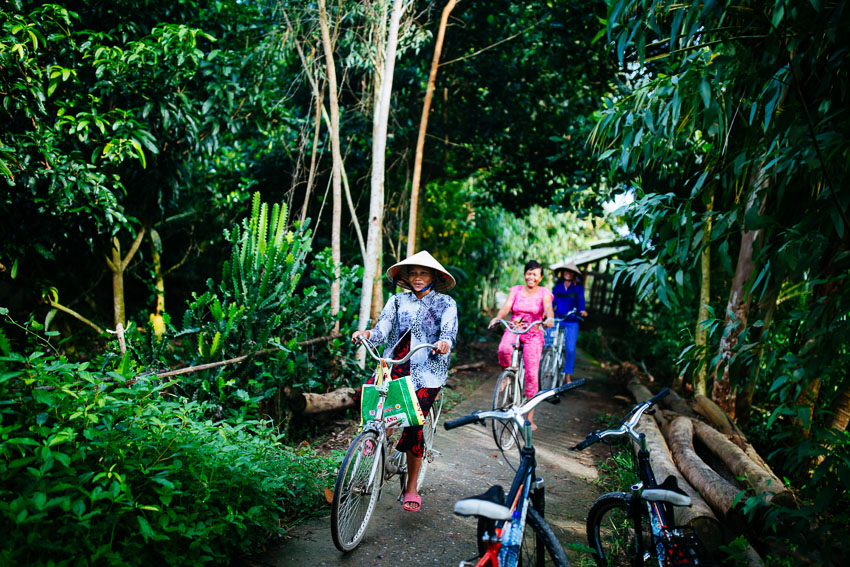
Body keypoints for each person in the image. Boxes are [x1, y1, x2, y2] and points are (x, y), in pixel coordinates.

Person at [351, 250, 458, 513]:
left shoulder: (446, 303)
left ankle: (411, 487)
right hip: (395, 363)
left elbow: (448, 332)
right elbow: (382, 330)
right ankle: (377, 439)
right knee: (370, 399)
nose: (418, 277)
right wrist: (367, 334)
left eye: (423, 273)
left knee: (414, 424)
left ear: (434, 276)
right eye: (413, 273)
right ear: (406, 277)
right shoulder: (397, 301)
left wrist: (445, 343)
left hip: (428, 371)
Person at [489, 260, 554, 430]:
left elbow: (548, 309)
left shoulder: (544, 293)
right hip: (515, 327)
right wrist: (498, 317)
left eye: (535, 274)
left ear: (540, 278)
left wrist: (549, 319)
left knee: (532, 375)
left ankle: (529, 418)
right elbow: (506, 308)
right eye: (528, 273)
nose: (531, 277)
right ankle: (507, 372)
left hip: (534, 332)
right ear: (525, 275)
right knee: (504, 349)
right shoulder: (516, 290)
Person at [551, 261, 588, 384]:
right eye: (566, 271)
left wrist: (582, 310)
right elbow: (552, 301)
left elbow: (581, 301)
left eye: (571, 272)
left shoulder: (578, 287)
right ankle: (546, 368)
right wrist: (548, 312)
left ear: (574, 275)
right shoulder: (557, 286)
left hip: (572, 321)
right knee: (548, 344)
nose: (568, 274)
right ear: (563, 273)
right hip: (557, 318)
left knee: (570, 350)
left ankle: (567, 377)